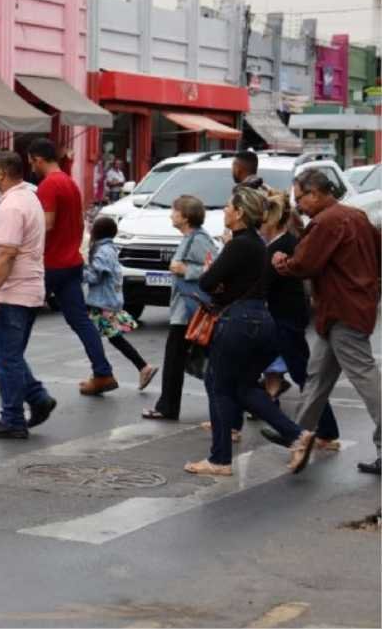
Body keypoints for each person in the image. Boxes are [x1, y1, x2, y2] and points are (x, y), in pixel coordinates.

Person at [185, 187, 314, 477]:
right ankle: (297, 435)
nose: (225, 211)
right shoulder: (259, 244)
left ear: (241, 212)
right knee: (243, 387)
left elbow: (207, 282)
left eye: (229, 206)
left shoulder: (239, 244)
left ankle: (220, 460)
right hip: (262, 320)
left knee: (218, 385)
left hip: (238, 321)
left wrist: (218, 279)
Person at [271, 169, 382, 475]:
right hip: (342, 310)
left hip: (343, 311)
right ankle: (298, 434)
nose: (298, 205)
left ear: (316, 193)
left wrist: (282, 262)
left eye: (300, 198)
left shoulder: (326, 221)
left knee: (365, 379)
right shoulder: (356, 216)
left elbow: (304, 264)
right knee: (317, 376)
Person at [0, 151, 56, 439]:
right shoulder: (28, 198)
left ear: (3, 173)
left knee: (6, 358)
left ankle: (13, 418)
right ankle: (37, 397)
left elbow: (7, 253)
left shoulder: (12, 207)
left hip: (12, 293)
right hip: (26, 290)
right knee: (4, 353)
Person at [29, 138, 118, 395]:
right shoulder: (70, 183)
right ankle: (103, 372)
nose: (31, 168)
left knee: (22, 316)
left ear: (37, 159)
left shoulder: (48, 185)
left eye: (31, 162)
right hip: (71, 263)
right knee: (80, 321)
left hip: (51, 263)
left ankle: (4, 368)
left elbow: (46, 225)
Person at [257, 189, 340, 448]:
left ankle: (320, 432)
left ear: (268, 220)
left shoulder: (281, 246)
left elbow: (262, 285)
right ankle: (322, 431)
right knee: (300, 374)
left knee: (303, 375)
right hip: (283, 318)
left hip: (286, 319)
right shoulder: (281, 244)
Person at [143, 195, 214, 420]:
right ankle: (167, 406)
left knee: (177, 359)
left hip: (189, 312)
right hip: (183, 311)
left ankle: (167, 407)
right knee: (182, 360)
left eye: (174, 211)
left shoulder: (198, 239)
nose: (171, 215)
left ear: (185, 216)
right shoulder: (189, 238)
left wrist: (186, 271)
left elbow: (213, 268)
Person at [84, 217, 157, 389]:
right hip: (107, 300)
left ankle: (139, 368)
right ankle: (103, 372)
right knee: (108, 337)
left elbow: (95, 275)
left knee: (101, 337)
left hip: (103, 303)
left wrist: (79, 270)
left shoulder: (102, 251)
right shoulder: (109, 248)